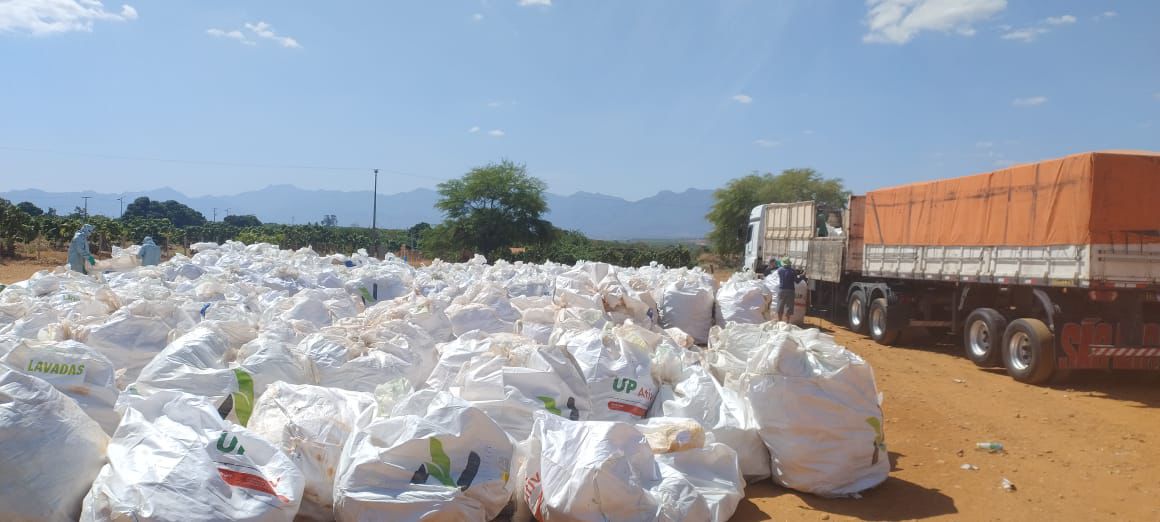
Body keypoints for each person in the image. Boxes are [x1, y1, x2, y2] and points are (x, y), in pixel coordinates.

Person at [774, 259, 805, 323]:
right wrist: (802, 275)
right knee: (789, 306)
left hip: (782, 290)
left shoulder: (780, 270)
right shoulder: (793, 271)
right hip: (790, 291)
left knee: (780, 305)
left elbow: (779, 266)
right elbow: (797, 281)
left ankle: (780, 321)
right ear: (789, 264)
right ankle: (787, 322)